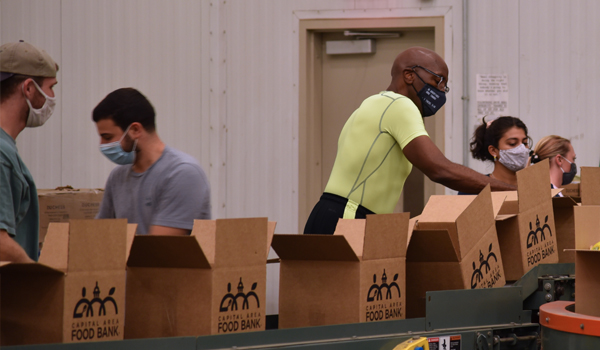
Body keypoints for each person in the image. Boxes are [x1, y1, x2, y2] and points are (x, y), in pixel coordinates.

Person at [303, 47, 515, 235]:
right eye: (438, 81)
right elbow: (440, 169)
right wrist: (514, 191)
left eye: (445, 86)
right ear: (409, 75)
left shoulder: (373, 104)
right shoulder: (398, 105)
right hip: (346, 218)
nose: (441, 91)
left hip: (340, 215)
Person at [93, 88, 211, 235]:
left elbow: (159, 249)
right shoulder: (117, 177)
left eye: (108, 137)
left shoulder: (182, 173)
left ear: (135, 130)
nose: (102, 145)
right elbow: (100, 237)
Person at [0, 40, 59, 262]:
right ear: (29, 88)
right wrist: (39, 279)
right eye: (51, 87)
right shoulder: (2, 155)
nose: (52, 97)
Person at [463, 115, 531, 191]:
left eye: (524, 143)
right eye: (512, 143)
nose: (522, 149)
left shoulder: (537, 186)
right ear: (493, 151)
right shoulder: (474, 188)